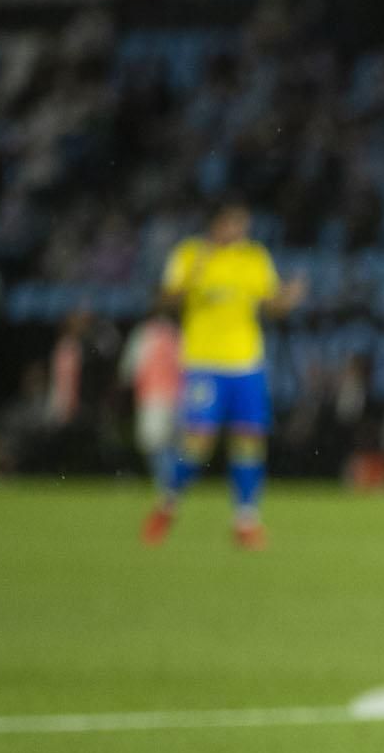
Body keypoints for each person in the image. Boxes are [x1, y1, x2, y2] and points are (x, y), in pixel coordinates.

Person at [142, 202, 308, 548]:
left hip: (246, 363)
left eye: (242, 226)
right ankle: (167, 504)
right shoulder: (189, 254)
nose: (238, 232)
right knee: (198, 443)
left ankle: (246, 520)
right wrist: (189, 281)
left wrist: (288, 299)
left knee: (248, 441)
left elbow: (270, 305)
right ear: (215, 224)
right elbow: (163, 300)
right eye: (232, 225)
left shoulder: (253, 258)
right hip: (204, 363)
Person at [119, 312, 184, 486]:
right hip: (171, 395)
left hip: (157, 396)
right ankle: (172, 482)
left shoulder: (145, 334)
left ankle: (169, 483)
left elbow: (130, 368)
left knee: (157, 442)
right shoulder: (175, 332)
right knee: (166, 442)